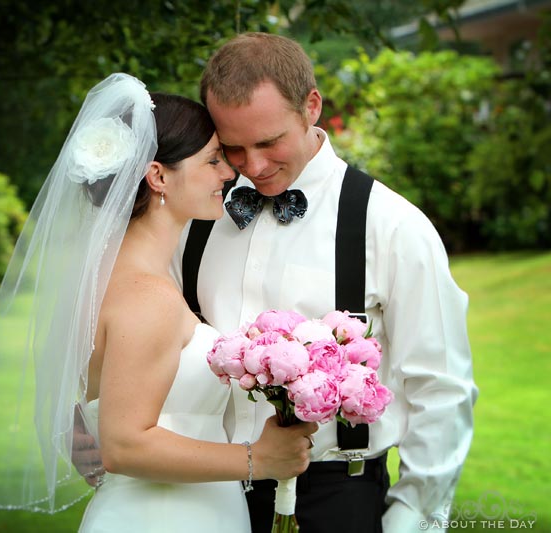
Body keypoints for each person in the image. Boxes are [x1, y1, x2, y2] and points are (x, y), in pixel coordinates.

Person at [0, 73, 317, 533]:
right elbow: (125, 445)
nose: (229, 173)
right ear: (158, 176)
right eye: (213, 159)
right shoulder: (147, 296)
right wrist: (259, 459)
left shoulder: (113, 279)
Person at [173, 32, 478, 533]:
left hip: (337, 498)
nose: (253, 167)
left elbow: (440, 387)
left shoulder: (392, 225)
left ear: (311, 106)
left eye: (270, 142)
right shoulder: (196, 221)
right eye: (234, 148)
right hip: (203, 498)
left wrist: (412, 514)